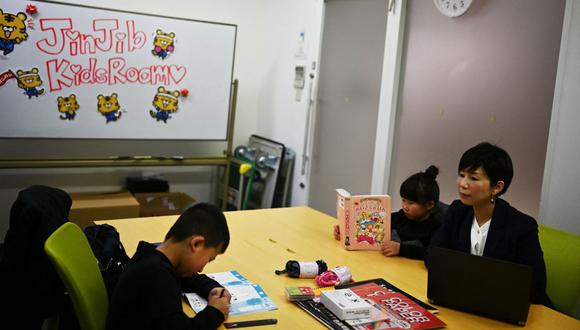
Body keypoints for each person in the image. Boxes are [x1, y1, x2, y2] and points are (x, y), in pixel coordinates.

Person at [429, 142, 552, 306]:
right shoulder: (457, 211)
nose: (463, 184)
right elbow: (432, 257)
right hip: (463, 300)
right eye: (461, 174)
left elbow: (535, 287)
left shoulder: (522, 226)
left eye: (473, 178)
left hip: (506, 308)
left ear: (497, 187)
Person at [107, 203, 232, 330]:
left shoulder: (150, 256)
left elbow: (186, 278)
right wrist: (216, 312)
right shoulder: (157, 276)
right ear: (196, 244)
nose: (201, 269)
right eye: (209, 259)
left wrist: (211, 288)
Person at [334, 165, 447, 260]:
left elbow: (431, 254)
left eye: (411, 203)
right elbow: (372, 228)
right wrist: (346, 232)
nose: (405, 207)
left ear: (429, 205)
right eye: (403, 200)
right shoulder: (400, 217)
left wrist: (400, 249)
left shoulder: (437, 227)